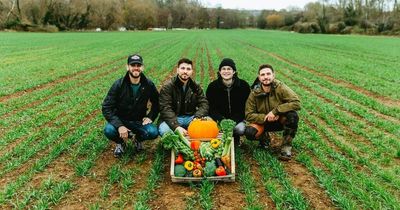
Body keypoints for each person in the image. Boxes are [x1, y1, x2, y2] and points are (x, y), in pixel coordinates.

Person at [102, 54, 159, 158]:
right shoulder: (118, 85)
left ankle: (138, 139)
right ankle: (120, 143)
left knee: (153, 132)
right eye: (133, 65)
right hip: (121, 120)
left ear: (142, 67)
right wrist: (119, 125)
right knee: (109, 130)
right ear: (127, 67)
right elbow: (106, 107)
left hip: (139, 121)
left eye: (138, 65)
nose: (136, 68)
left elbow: (157, 103)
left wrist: (150, 117)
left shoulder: (148, 84)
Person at [244, 64, 300, 160]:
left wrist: (276, 112)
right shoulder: (254, 93)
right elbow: (248, 115)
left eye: (268, 74)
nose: (266, 77)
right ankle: (265, 139)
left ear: (273, 75)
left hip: (280, 120)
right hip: (264, 122)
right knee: (249, 132)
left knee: (292, 116)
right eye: (263, 75)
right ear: (259, 77)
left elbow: (296, 103)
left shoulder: (280, 87)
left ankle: (286, 146)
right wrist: (265, 117)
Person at [158, 58, 209, 136]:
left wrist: (197, 117)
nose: (185, 71)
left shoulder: (195, 86)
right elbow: (165, 108)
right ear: (177, 70)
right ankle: (177, 146)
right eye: (183, 68)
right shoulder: (168, 86)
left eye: (188, 69)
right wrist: (176, 126)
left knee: (209, 122)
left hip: (191, 118)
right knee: (165, 130)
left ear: (192, 72)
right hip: (173, 118)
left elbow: (204, 104)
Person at [206, 58, 250, 145]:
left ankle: (235, 138)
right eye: (223, 69)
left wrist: (232, 122)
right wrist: (221, 120)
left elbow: (245, 107)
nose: (226, 71)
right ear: (220, 71)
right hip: (219, 119)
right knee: (208, 123)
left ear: (234, 71)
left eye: (229, 69)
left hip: (237, 120)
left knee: (240, 129)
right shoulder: (212, 87)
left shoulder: (243, 86)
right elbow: (211, 108)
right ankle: (218, 138)